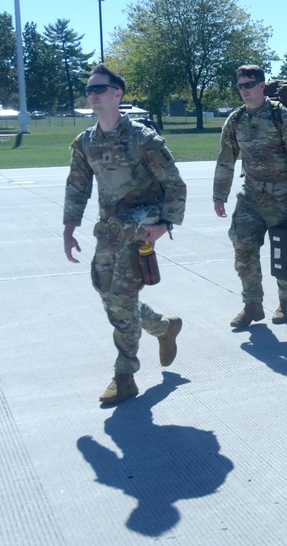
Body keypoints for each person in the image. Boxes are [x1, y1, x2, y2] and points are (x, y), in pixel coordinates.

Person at [63, 64, 187, 405]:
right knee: (108, 291)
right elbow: (77, 187)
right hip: (110, 231)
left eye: (99, 89)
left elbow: (174, 185)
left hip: (141, 225)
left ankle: (125, 375)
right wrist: (69, 229)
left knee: (119, 295)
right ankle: (164, 328)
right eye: (89, 89)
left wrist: (164, 225)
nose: (92, 94)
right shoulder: (86, 141)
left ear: (117, 94)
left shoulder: (142, 139)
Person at [214, 64, 287, 328]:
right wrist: (219, 195)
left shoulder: (283, 117)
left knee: (284, 254)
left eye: (249, 84)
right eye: (240, 86)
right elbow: (226, 158)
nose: (244, 90)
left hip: (283, 198)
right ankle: (252, 305)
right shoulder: (236, 119)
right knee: (243, 249)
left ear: (261, 85)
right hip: (250, 197)